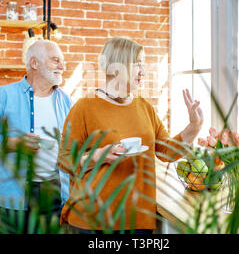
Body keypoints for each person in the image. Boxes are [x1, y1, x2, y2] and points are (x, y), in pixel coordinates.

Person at [58, 36, 203, 234]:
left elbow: (166, 152)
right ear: (117, 67)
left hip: (138, 220)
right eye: (137, 64)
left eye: (143, 64)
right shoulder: (84, 107)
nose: (143, 71)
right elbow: (64, 160)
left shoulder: (144, 107)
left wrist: (194, 126)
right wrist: (97, 156)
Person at [0, 40, 73, 233]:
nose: (62, 66)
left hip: (55, 194)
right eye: (55, 60)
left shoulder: (65, 99)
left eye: (62, 61)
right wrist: (12, 143)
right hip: (15, 197)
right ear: (34, 63)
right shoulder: (5, 94)